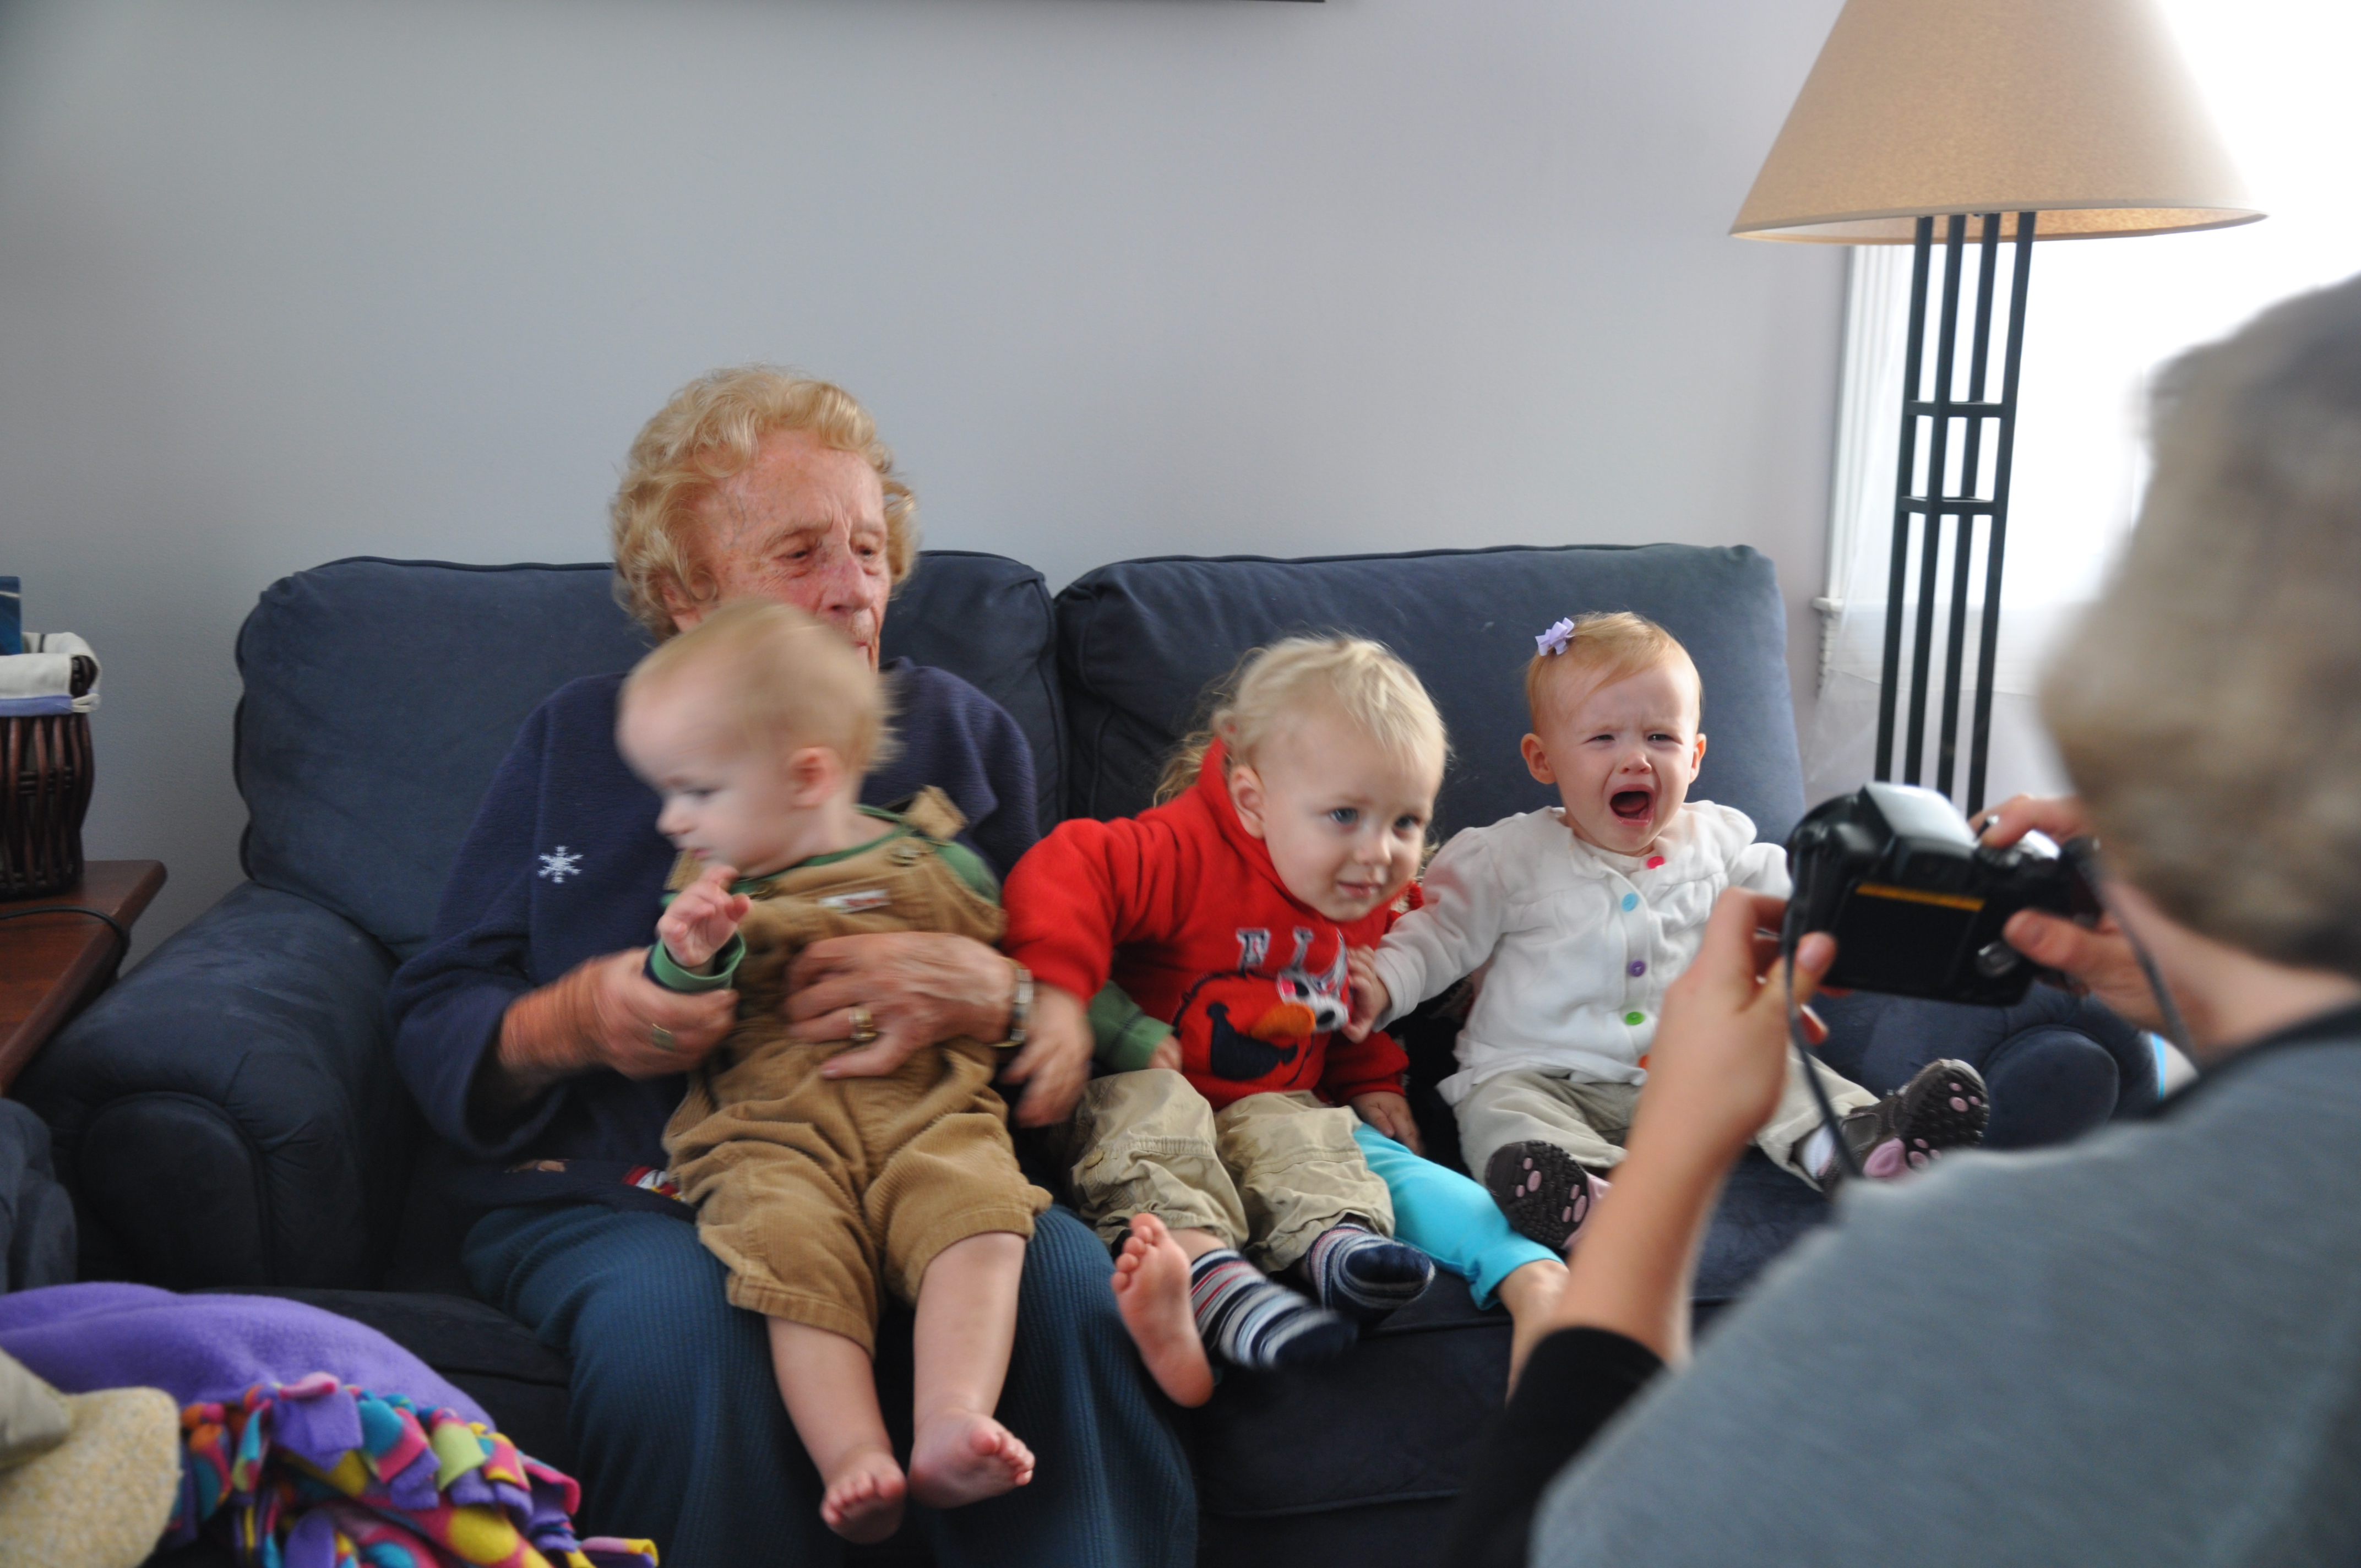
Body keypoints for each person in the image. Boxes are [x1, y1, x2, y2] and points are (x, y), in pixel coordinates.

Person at [1450, 275, 2361, 1568]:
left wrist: (1671, 1152)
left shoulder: (1983, 1276)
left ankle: (1849, 1140)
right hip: (1537, 1079)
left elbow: (1544, 1545)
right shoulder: (1508, 853)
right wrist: (2201, 980)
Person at [387, 368, 1192, 1568]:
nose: (852, 588)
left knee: (1065, 1288)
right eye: (801, 552)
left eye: (868, 549)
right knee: (686, 1327)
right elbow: (437, 1010)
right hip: (636, 1186)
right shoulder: (582, 739)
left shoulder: (960, 734)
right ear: (684, 593)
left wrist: (996, 993)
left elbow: (1069, 982)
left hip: (921, 1151)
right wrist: (579, 1016)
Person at [1347, 612, 1985, 1250]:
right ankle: (1582, 1194)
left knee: (1773, 1064)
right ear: (1543, 759)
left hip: (1691, 1068)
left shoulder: (1719, 845)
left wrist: (1890, 913)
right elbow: (1437, 936)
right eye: (1602, 738)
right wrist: (1384, 985)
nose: (1636, 758)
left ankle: (1861, 1149)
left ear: (1695, 755)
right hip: (1541, 1072)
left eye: (1660, 737)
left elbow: (1799, 900)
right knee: (1498, 1110)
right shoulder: (1503, 859)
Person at [621, 601, 1049, 1543]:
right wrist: (688, 956)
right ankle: (853, 1452)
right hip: (772, 1130)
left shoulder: (938, 858)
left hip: (931, 1110)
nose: (670, 820)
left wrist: (1105, 1026)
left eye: (696, 791)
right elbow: (673, 1006)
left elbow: (1031, 956)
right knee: (787, 1249)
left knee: (983, 1216)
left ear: (806, 774)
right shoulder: (710, 888)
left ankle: (951, 1418)